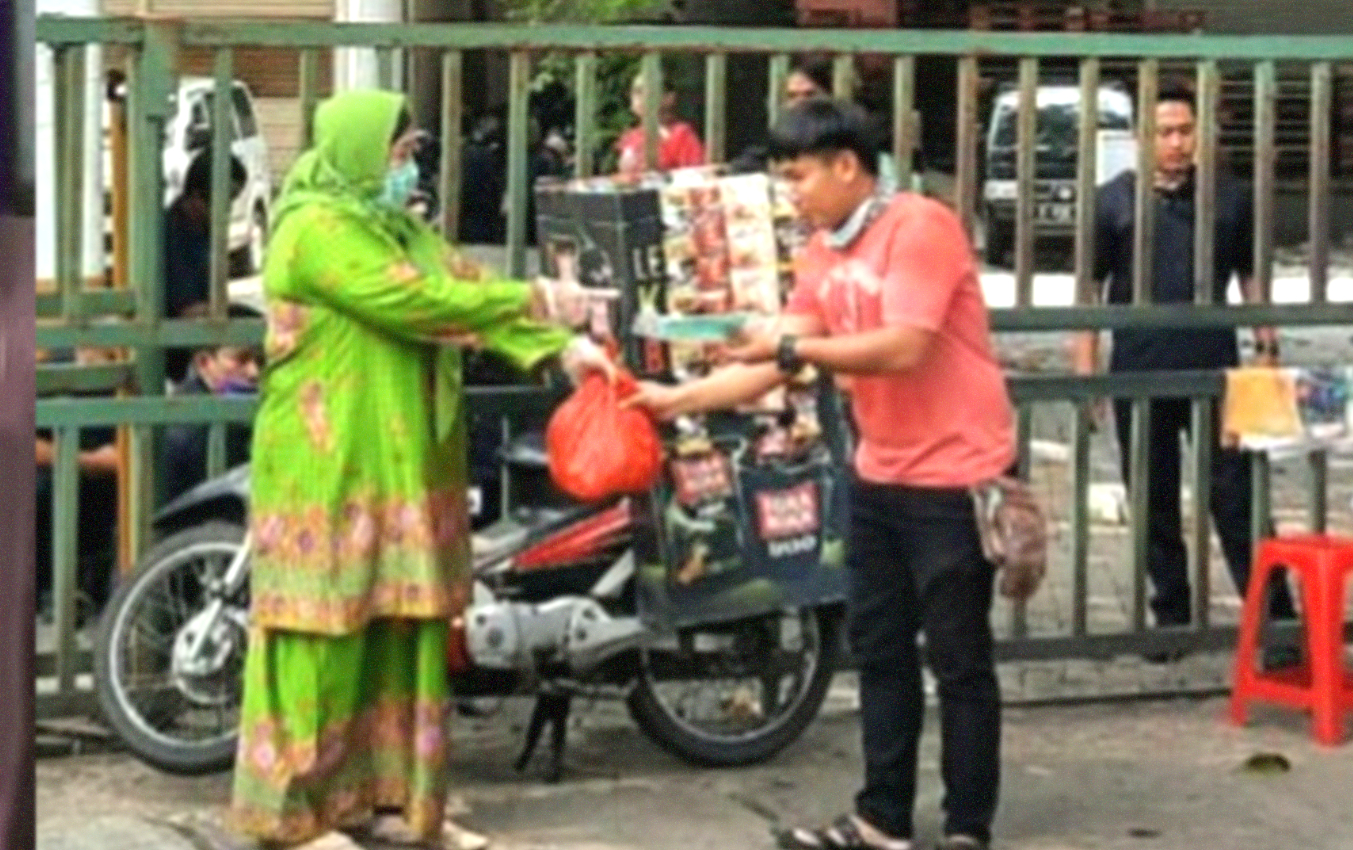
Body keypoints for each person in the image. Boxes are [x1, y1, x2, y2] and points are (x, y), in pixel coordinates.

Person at [228, 89, 611, 850]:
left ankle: (391, 800)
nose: (407, 170)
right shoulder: (314, 232)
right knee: (323, 632)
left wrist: (557, 347)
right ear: (361, 152)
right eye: (398, 156)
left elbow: (461, 285)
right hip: (327, 468)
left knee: (402, 630)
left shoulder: (395, 225)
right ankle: (296, 818)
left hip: (402, 465)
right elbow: (418, 302)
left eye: (408, 157)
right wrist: (539, 300)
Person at [627, 98, 1014, 850]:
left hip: (955, 476)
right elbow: (784, 348)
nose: (790, 194)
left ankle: (968, 826)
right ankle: (881, 820)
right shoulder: (821, 249)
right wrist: (675, 399)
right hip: (879, 473)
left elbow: (902, 346)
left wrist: (785, 352)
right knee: (879, 651)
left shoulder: (917, 226)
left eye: (799, 176)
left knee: (959, 659)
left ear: (847, 165)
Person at [1075, 80, 1298, 665]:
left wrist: (1267, 345)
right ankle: (1170, 614)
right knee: (1152, 499)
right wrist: (1085, 374)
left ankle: (1276, 622)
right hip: (1138, 372)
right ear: (1140, 138)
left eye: (1184, 131)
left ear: (1200, 134)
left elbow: (1252, 281)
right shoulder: (1111, 201)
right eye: (1163, 132)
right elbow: (1089, 295)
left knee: (1239, 496)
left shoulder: (1228, 199)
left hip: (1215, 372)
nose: (1175, 143)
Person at [731, 56, 905, 194]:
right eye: (792, 96)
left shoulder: (861, 141)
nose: (800, 104)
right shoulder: (773, 144)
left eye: (810, 95)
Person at [34, 346, 120, 622]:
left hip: (104, 485)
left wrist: (66, 457)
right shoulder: (49, 371)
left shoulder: (132, 377)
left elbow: (131, 457)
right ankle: (52, 589)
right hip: (57, 479)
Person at [163, 144, 248, 382]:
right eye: (225, 200)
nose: (229, 209)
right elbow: (189, 310)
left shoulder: (200, 230)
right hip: (179, 353)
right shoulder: (175, 232)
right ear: (198, 196)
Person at [161, 303, 261, 501]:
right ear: (204, 362)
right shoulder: (192, 431)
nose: (254, 372)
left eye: (261, 359)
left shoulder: (183, 409)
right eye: (241, 360)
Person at [614, 72, 705, 176]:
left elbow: (695, 176)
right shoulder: (630, 138)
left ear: (668, 98)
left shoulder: (681, 134)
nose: (638, 96)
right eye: (635, 91)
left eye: (648, 90)